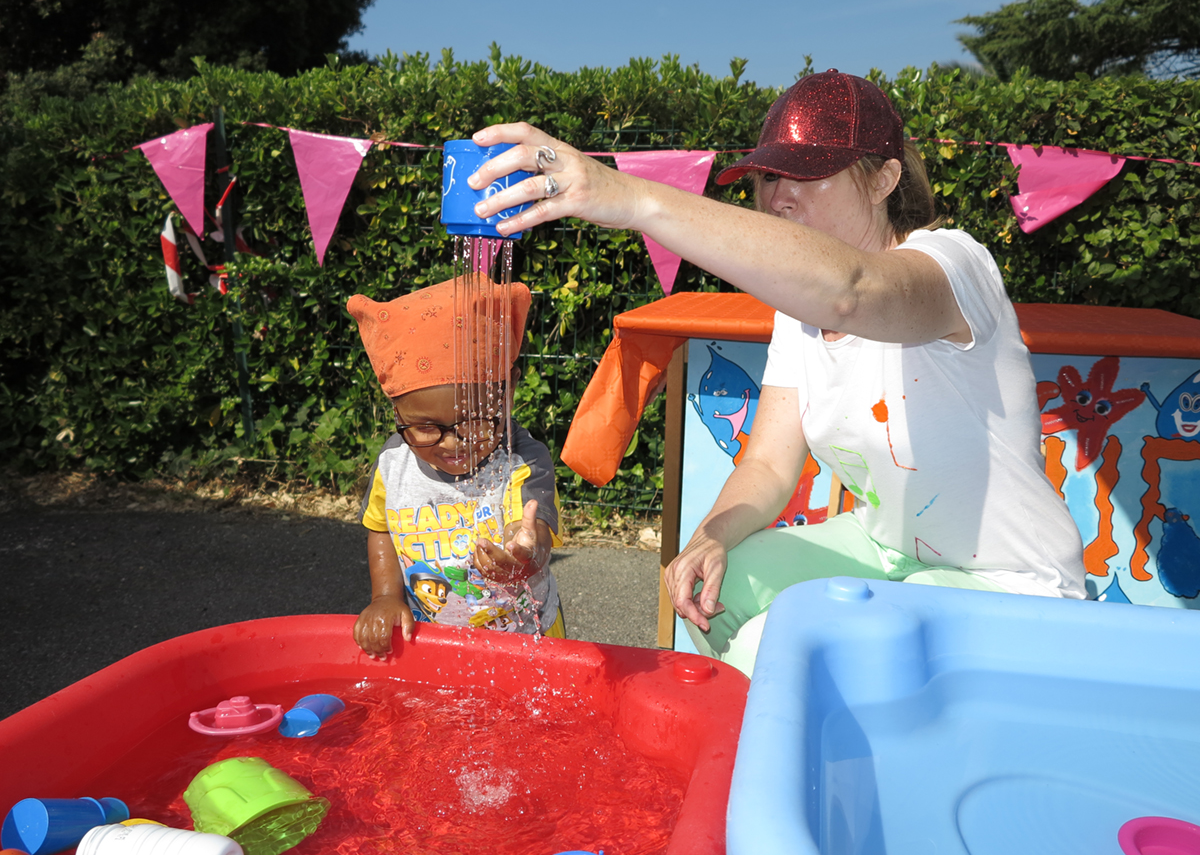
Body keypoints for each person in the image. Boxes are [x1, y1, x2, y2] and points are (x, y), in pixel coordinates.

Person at [463, 69, 1088, 674]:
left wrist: (630, 197)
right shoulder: (799, 313)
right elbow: (766, 464)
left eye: (807, 174)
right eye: (766, 176)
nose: (776, 195)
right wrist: (709, 535)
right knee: (718, 585)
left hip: (1013, 586)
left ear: (884, 180)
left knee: (784, 648)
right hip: (890, 555)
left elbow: (852, 289)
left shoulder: (954, 264)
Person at [347, 274, 564, 657]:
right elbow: (380, 528)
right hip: (433, 640)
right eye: (426, 427)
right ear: (397, 411)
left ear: (508, 388)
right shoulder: (392, 465)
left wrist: (524, 555)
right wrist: (384, 596)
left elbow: (533, 529)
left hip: (526, 641)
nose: (451, 443)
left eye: (475, 421)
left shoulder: (520, 460)